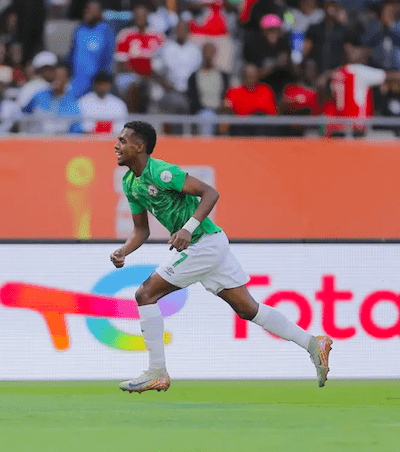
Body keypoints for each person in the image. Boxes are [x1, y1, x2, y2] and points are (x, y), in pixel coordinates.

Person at [111, 121, 333, 393]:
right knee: (248, 309)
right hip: (209, 244)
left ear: (139, 147)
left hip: (203, 243)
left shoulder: (162, 172)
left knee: (145, 294)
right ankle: (313, 343)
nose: (116, 146)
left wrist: (187, 229)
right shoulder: (129, 183)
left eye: (122, 141)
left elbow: (210, 193)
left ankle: (157, 372)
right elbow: (141, 230)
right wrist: (124, 250)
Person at [67, 0, 115, 99]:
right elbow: (72, 54)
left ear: (99, 12)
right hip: (77, 83)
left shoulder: (106, 31)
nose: (86, 11)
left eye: (91, 9)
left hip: (95, 86)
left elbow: (108, 60)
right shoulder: (79, 29)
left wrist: (101, 82)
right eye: (86, 8)